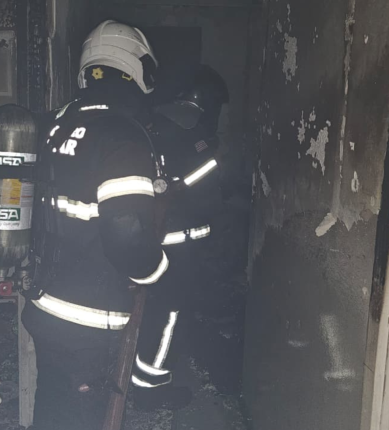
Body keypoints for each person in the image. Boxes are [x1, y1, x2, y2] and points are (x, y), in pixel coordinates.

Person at [21, 20, 169, 430]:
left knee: (52, 407)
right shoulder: (121, 134)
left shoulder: (56, 122)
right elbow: (125, 231)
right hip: (89, 318)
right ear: (138, 68)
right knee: (85, 416)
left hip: (45, 304)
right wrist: (155, 270)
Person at [130, 65, 230, 409]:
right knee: (170, 313)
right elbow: (207, 194)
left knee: (154, 310)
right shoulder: (192, 134)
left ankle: (139, 376)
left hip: (151, 239)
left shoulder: (153, 123)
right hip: (178, 244)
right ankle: (150, 388)